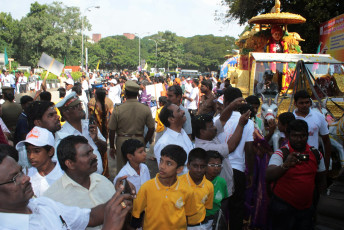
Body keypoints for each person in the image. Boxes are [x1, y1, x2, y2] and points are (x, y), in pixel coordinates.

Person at [0, 151, 133, 230]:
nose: (26, 178)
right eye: (14, 178)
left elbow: (90, 216)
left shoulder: (43, 204)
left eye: (21, 172)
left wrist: (120, 196)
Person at [43, 135, 116, 230]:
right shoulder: (52, 199)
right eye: (87, 154)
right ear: (70, 164)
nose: (94, 156)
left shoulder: (103, 181)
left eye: (92, 152)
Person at [266, 119, 327, 230]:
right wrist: (285, 165)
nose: (299, 139)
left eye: (303, 136)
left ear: (307, 135)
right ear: (288, 136)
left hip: (307, 209)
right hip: (283, 207)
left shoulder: (316, 154)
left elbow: (321, 181)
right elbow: (269, 175)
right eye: (295, 136)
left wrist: (320, 208)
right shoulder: (281, 153)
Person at [132, 144, 197, 229]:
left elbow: (188, 215)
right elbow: (136, 215)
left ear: (179, 169)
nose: (162, 166)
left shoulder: (187, 190)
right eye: (161, 160)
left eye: (169, 163)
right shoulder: (146, 187)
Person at [220, 87, 254, 230]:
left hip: (219, 170)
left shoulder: (217, 120)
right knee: (237, 208)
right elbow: (249, 150)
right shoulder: (248, 122)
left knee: (219, 206)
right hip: (238, 169)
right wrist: (250, 172)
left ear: (226, 101)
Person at [193, 109, 249, 195]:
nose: (215, 127)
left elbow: (222, 120)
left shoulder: (209, 136)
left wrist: (232, 105)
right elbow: (231, 147)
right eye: (211, 126)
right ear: (202, 132)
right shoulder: (204, 148)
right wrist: (241, 124)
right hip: (218, 192)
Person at [108, 80, 155, 173]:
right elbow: (151, 128)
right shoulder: (145, 108)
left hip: (122, 141)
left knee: (122, 170)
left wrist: (112, 147)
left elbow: (112, 129)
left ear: (125, 93)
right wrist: (144, 141)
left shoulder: (118, 109)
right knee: (139, 170)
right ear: (138, 94)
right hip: (139, 141)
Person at [55, 92, 106, 174]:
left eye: (79, 104)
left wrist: (96, 140)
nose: (80, 108)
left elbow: (104, 149)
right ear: (66, 112)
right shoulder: (62, 135)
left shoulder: (90, 126)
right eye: (75, 106)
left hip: (98, 180)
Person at [16, 126, 63, 197]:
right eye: (28, 151)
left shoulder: (63, 173)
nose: (31, 156)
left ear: (50, 151)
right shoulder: (26, 175)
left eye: (36, 151)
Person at [293, 90, 331, 170]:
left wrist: (326, 165)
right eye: (301, 103)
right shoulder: (291, 118)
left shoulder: (319, 116)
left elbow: (326, 141)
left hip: (313, 158)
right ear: (295, 104)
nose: (305, 105)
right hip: (294, 160)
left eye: (307, 102)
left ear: (310, 103)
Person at [154, 102, 193, 175]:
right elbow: (165, 173)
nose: (183, 111)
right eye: (178, 111)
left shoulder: (183, 132)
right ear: (171, 119)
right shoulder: (164, 143)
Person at [179, 148, 214, 229]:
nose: (199, 170)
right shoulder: (178, 183)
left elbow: (207, 207)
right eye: (195, 166)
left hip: (200, 225)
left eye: (202, 166)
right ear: (188, 165)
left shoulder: (209, 186)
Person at [205, 150, 229, 228]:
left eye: (219, 165)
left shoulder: (221, 182)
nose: (216, 168)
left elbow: (225, 199)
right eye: (212, 165)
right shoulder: (199, 182)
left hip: (215, 219)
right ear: (204, 165)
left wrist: (220, 213)